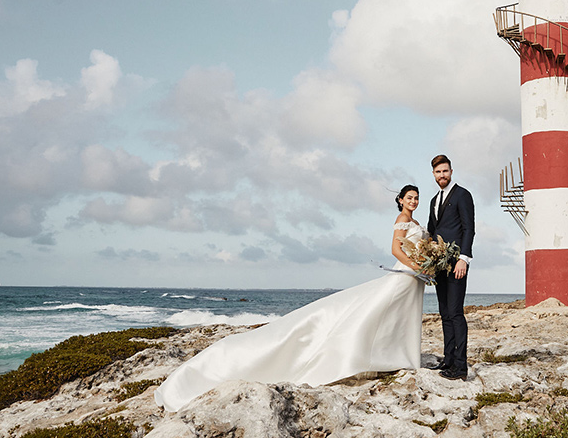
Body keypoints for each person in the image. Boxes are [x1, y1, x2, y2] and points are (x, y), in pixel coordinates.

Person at [154, 185, 429, 412]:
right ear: (400, 200)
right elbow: (395, 249)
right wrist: (417, 267)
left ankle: (398, 355)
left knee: (397, 315)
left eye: (416, 198)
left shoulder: (415, 221)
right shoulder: (401, 221)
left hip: (415, 276)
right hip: (406, 273)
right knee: (376, 311)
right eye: (409, 197)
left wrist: (425, 264)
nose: (413, 201)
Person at [427, 154, 474, 380]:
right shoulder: (433, 200)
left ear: (451, 171)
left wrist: (464, 258)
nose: (442, 175)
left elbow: (468, 228)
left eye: (445, 171)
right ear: (433, 174)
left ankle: (461, 367)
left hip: (457, 264)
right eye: (438, 172)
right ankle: (448, 360)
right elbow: (432, 232)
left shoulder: (463, 195)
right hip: (439, 266)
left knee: (456, 313)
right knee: (445, 313)